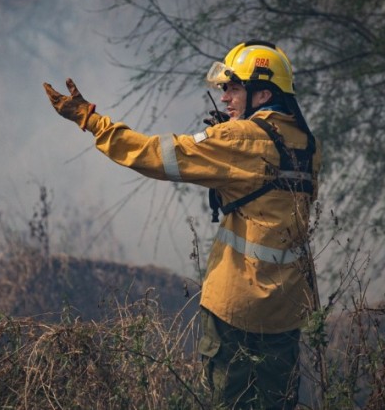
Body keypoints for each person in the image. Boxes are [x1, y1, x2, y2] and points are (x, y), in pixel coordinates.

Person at [43, 40, 321, 409]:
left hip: (235, 307)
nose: (224, 99)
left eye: (234, 88)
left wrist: (91, 120)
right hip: (286, 312)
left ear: (264, 92)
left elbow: (155, 155)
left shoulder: (238, 138)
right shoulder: (308, 144)